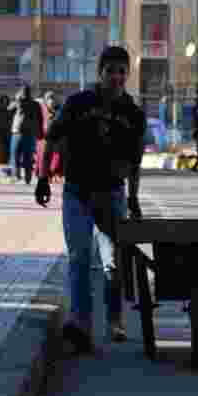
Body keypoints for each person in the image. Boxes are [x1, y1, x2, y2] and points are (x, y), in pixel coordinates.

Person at [35, 46, 146, 354]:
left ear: (127, 75)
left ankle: (114, 320)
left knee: (114, 263)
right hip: (77, 193)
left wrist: (134, 198)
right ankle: (80, 325)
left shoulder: (133, 114)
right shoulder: (78, 103)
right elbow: (52, 139)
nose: (116, 76)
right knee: (80, 258)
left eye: (122, 71)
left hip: (112, 194)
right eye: (111, 70)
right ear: (100, 73)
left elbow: (135, 161)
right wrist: (43, 178)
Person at [9, 85, 43, 184]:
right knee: (26, 156)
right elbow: (40, 119)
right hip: (26, 133)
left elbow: (9, 109)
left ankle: (19, 176)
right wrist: (39, 132)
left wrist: (15, 98)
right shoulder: (34, 104)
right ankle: (25, 178)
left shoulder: (19, 102)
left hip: (19, 132)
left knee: (16, 155)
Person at [0, 95, 12, 166]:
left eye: (6, 101)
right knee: (1, 145)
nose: (5, 102)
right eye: (4, 101)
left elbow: (9, 120)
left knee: (7, 146)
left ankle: (6, 159)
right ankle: (2, 159)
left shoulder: (7, 110)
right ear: (1, 101)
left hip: (7, 131)